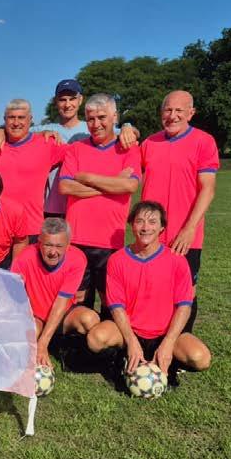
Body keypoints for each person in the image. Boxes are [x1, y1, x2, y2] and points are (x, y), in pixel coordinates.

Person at [86, 201, 212, 381]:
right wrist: (131, 341)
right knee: (95, 339)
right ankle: (126, 356)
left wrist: (168, 343)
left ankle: (166, 358)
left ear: (162, 228)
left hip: (165, 334)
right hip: (130, 331)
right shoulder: (117, 260)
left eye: (153, 222)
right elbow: (116, 306)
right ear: (131, 225)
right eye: (140, 221)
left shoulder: (177, 260)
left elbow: (184, 307)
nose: (146, 228)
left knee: (201, 359)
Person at [140, 90, 219, 332]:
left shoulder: (204, 141)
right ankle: (151, 339)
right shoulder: (149, 144)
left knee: (185, 293)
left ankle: (181, 341)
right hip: (151, 235)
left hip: (185, 236)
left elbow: (208, 189)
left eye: (179, 111)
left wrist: (189, 229)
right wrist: (128, 128)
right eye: (168, 110)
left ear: (191, 113)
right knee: (151, 290)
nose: (172, 116)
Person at [59, 93, 141, 317]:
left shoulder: (128, 148)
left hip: (110, 240)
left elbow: (130, 186)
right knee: (77, 299)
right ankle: (77, 340)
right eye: (90, 119)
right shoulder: (76, 148)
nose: (96, 124)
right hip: (76, 239)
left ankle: (106, 340)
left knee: (109, 299)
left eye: (102, 117)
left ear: (115, 117)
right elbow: (65, 187)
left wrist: (86, 177)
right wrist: (113, 183)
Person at [32, 79, 138, 218]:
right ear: (56, 102)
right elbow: (16, 132)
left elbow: (129, 132)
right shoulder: (46, 129)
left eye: (72, 99)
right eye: (62, 100)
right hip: (53, 207)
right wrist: (40, 134)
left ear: (80, 100)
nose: (67, 104)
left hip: (82, 204)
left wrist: (127, 126)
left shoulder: (92, 125)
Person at [10, 218, 93, 368]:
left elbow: (62, 302)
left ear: (68, 245)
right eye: (48, 245)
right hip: (35, 315)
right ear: (39, 242)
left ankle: (62, 346)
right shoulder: (25, 257)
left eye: (59, 246)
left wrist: (43, 343)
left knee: (90, 320)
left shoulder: (77, 259)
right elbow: (14, 294)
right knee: (28, 333)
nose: (53, 252)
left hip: (63, 313)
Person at [0, 99, 67, 239]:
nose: (16, 123)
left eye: (21, 117)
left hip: (31, 229)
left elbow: (80, 154)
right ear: (4, 120)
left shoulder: (47, 144)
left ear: (30, 119)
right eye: (11, 117)